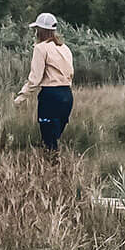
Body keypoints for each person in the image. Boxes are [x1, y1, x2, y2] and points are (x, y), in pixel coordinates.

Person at [14, 11, 75, 151]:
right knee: (55, 139)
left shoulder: (40, 48)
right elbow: (71, 73)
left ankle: (51, 169)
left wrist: (21, 97)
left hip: (50, 97)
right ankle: (58, 169)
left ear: (40, 31)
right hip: (67, 96)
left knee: (49, 141)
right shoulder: (65, 48)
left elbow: (35, 79)